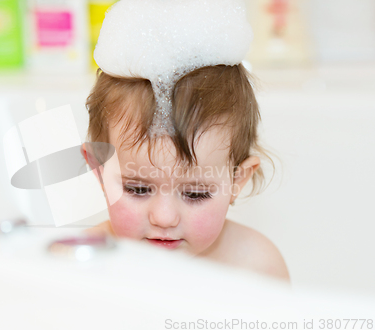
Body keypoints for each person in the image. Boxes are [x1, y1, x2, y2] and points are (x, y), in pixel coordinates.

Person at [81, 0, 290, 283]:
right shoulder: (86, 262)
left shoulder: (255, 267)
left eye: (195, 194)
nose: (164, 218)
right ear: (98, 170)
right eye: (139, 188)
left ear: (237, 181)